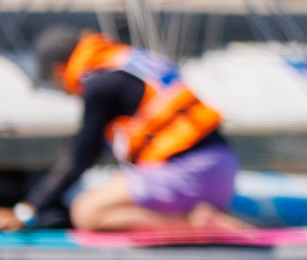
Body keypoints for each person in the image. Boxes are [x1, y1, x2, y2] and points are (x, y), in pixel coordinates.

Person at [2, 29, 245, 235]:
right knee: (114, 190)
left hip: (190, 174)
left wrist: (26, 211)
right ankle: (200, 215)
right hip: (223, 167)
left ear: (58, 70)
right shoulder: (131, 63)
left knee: (85, 212)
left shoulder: (101, 85)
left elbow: (80, 158)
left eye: (54, 84)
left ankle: (197, 226)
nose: (64, 91)